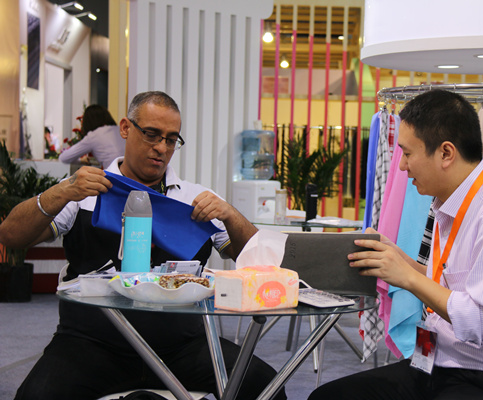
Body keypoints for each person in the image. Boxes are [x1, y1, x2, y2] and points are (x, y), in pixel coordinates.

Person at [0, 91, 286, 400]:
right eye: (151, 134)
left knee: (265, 386)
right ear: (125, 128)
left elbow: (260, 260)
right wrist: (61, 192)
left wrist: (230, 214)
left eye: (171, 140)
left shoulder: (195, 199)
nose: (161, 148)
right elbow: (11, 236)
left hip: (182, 347)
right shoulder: (85, 191)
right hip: (90, 343)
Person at [309, 90, 483, 400]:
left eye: (407, 153)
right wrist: (400, 260)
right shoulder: (449, 204)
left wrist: (408, 277)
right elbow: (451, 284)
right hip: (442, 363)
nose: (402, 167)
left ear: (446, 153)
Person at [59, 104, 126, 168]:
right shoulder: (120, 129)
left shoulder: (93, 136)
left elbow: (64, 158)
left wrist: (81, 160)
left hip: (114, 174)